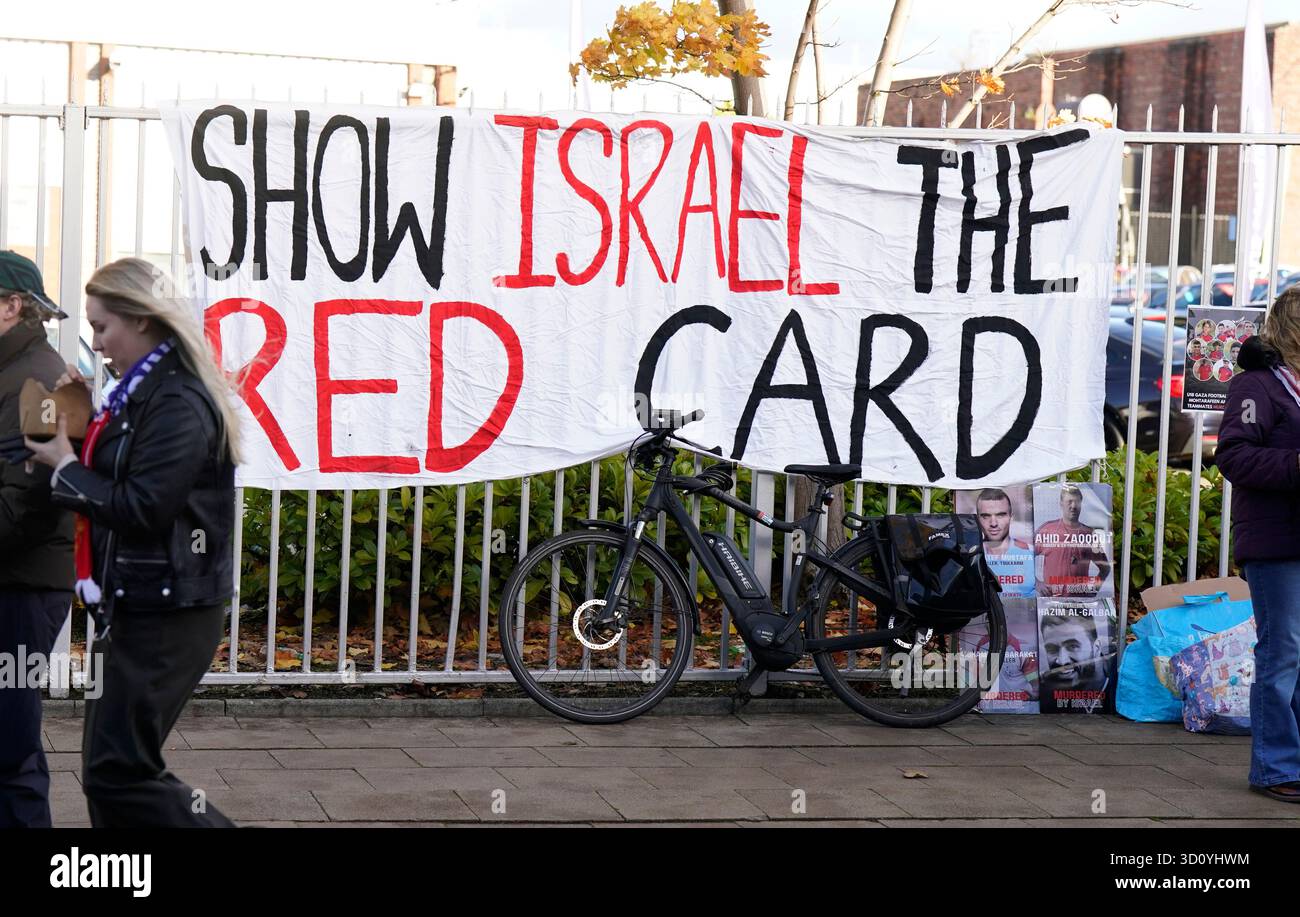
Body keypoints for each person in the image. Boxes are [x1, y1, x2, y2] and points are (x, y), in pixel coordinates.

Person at [24, 258, 240, 827]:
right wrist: (86, 418)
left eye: (102, 327)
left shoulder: (177, 401)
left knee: (121, 772)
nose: (96, 343)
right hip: (141, 602)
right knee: (109, 772)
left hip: (169, 611)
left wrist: (65, 467)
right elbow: (126, 469)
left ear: (142, 320)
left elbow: (144, 506)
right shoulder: (142, 395)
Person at [1216, 285, 1300, 803]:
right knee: (1283, 653)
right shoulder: (1258, 385)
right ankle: (1275, 768)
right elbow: (1234, 456)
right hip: (1276, 539)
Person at [0, 251, 75, 827]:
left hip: (19, 589)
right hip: (14, 582)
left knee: (10, 745)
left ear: (11, 305)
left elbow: (24, 504)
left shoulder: (38, 380)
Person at [1034, 484, 1111, 596]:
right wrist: (1037, 583)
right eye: (1069, 501)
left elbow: (1105, 568)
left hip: (1080, 603)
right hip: (1052, 603)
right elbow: (1027, 558)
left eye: (1077, 502)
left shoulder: (1089, 534)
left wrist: (1094, 589)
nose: (1073, 506)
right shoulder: (1047, 529)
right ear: (1061, 504)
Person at [1038, 608, 1110, 712]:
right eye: (1052, 649)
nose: (1062, 661)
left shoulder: (1119, 688)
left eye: (1073, 646)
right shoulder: (1044, 693)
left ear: (1096, 647)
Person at [972, 487, 1035, 595]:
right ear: (977, 519)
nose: (993, 523)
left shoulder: (1031, 553)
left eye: (1000, 515)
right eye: (986, 516)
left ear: (1011, 517)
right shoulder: (970, 557)